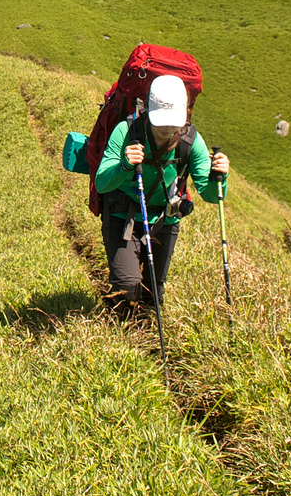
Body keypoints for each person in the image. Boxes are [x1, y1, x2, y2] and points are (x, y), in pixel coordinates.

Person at [93, 74, 229, 317]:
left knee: (154, 290)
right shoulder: (125, 131)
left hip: (166, 219)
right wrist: (125, 164)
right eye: (161, 122)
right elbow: (102, 183)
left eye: (173, 123)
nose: (167, 128)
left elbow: (209, 194)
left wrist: (219, 177)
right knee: (126, 288)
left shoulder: (191, 141)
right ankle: (122, 334)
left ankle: (146, 332)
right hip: (122, 214)